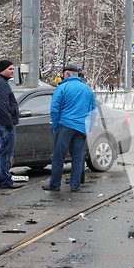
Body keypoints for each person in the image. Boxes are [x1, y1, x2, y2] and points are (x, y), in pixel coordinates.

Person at [42, 64, 97, 192]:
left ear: (67, 74)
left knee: (58, 156)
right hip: (81, 127)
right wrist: (89, 127)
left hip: (65, 125)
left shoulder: (63, 87)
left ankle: (55, 184)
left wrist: (55, 125)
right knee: (78, 157)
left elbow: (55, 109)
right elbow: (93, 111)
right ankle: (75, 185)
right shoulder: (87, 89)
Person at [0, 60, 24, 189]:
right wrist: (9, 122)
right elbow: (2, 105)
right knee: (5, 153)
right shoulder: (1, 83)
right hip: (4, 124)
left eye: (13, 69)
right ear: (2, 69)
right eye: (10, 69)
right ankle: (5, 180)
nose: (12, 71)